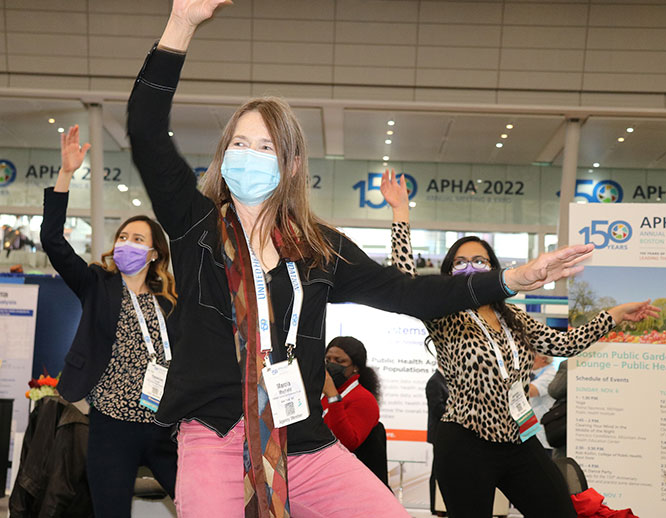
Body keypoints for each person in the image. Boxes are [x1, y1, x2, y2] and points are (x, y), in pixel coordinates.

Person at [127, 2, 595, 516]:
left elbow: (407, 292)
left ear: (291, 164)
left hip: (299, 439)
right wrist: (182, 24)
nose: (247, 154)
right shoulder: (198, 226)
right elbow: (147, 132)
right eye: (239, 142)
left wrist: (509, 279)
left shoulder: (319, 246)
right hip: (213, 433)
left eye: (264, 146)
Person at [380, 169, 660, 518]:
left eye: (479, 261)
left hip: (519, 437)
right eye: (461, 262)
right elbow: (406, 281)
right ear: (450, 273)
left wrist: (614, 314)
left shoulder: (515, 316)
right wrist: (400, 213)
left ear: (494, 270)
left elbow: (566, 343)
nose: (471, 267)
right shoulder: (444, 313)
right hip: (465, 441)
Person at [39, 125, 178, 517]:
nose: (127, 244)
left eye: (138, 239)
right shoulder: (97, 284)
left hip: (164, 426)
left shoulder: (169, 303)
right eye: (123, 236)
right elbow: (52, 240)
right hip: (111, 427)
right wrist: (66, 175)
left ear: (153, 254)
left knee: (198, 502)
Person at [322, 336, 388, 485]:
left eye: (339, 361)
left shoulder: (364, 399)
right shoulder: (319, 393)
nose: (332, 365)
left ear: (355, 367)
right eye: (328, 360)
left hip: (347, 479)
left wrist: (333, 396)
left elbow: (347, 443)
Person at [425, 367, 448, 516]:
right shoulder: (435, 381)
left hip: (445, 433)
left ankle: (441, 505)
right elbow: (437, 408)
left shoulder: (445, 380)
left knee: (441, 469)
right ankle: (436, 506)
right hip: (440, 433)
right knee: (437, 471)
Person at [528, 353, 556, 452]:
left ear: (544, 358)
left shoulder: (551, 374)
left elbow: (531, 391)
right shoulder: (533, 373)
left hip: (543, 435)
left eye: (533, 355)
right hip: (531, 430)